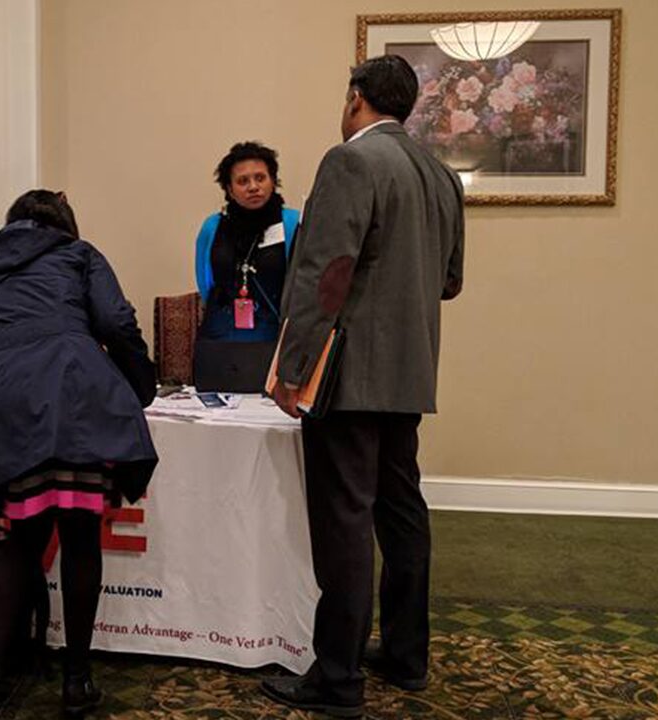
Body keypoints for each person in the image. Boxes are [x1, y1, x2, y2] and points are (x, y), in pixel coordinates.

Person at [262, 55, 465, 718]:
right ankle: (406, 657)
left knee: (344, 519)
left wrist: (292, 372)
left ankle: (338, 679)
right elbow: (450, 280)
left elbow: (326, 274)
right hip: (411, 370)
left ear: (356, 99)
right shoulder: (440, 174)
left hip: (347, 374)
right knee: (401, 510)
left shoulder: (350, 161)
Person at [0, 190, 158, 718]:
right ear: (64, 223)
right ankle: (77, 681)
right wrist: (141, 388)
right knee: (80, 539)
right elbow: (117, 322)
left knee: (21, 545)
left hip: (10, 413)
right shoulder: (80, 254)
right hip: (77, 401)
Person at [194, 141, 300, 343]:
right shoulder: (212, 226)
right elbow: (205, 282)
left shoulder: (293, 223)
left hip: (276, 334)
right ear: (230, 189)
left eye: (260, 178)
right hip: (221, 333)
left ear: (273, 181)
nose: (253, 187)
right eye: (243, 181)